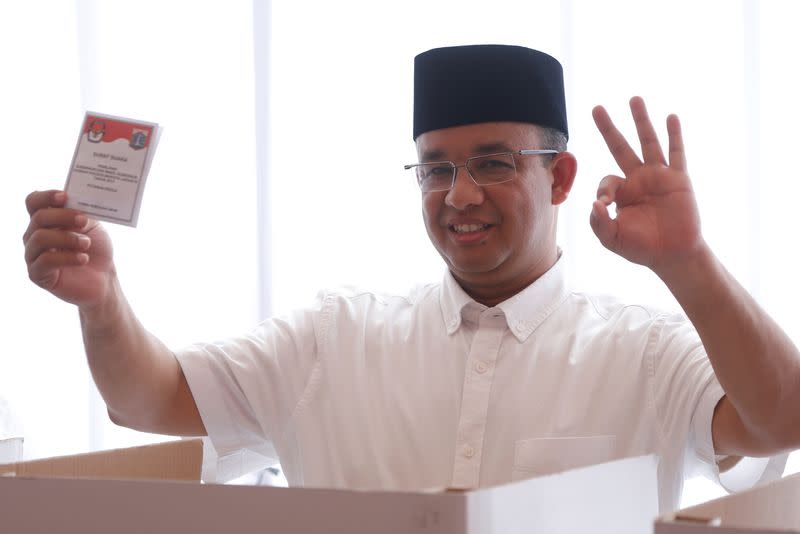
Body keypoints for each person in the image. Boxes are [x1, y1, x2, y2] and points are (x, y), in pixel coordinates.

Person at [22, 44, 798, 513]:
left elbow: (780, 420)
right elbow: (143, 400)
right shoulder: (333, 338)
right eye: (434, 169)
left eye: (492, 162)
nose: (458, 195)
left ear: (561, 177)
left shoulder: (648, 353)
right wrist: (101, 301)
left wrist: (687, 264)